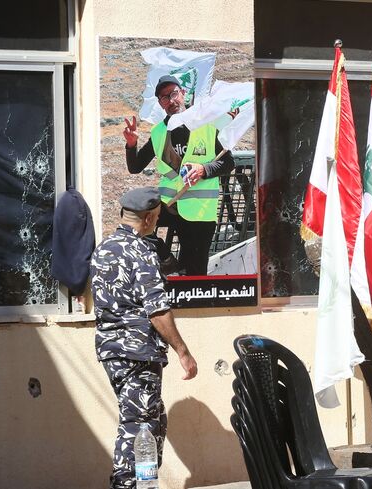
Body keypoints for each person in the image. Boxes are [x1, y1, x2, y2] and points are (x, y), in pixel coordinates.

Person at [91, 186, 198, 489]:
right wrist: (183, 351)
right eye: (158, 217)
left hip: (112, 351)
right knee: (140, 425)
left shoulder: (104, 249)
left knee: (150, 418)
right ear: (149, 218)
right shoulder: (141, 251)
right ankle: (129, 485)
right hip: (137, 351)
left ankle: (141, 482)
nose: (157, 222)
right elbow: (157, 309)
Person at [124, 75, 235, 275]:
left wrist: (203, 170)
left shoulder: (207, 125)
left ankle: (183, 277)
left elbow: (228, 163)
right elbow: (135, 167)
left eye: (174, 94)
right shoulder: (159, 132)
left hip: (199, 211)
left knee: (194, 273)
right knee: (132, 217)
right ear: (160, 103)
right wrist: (131, 145)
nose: (171, 100)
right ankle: (166, 259)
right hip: (169, 205)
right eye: (164, 97)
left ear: (183, 93)